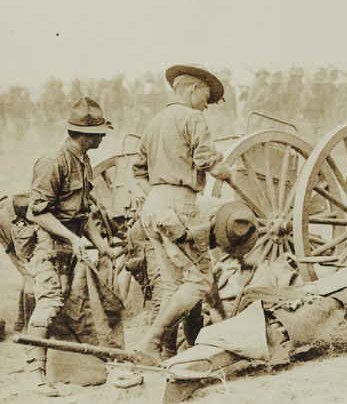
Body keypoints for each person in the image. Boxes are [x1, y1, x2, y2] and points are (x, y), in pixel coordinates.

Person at [132, 64, 235, 363]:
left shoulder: (155, 121)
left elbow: (137, 170)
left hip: (153, 207)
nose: (207, 104)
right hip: (179, 208)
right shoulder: (193, 117)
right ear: (193, 89)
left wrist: (155, 196)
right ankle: (152, 340)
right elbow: (207, 161)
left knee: (176, 285)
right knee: (201, 281)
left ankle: (169, 352)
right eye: (206, 96)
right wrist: (229, 174)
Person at [25, 97, 116, 395]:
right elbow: (37, 212)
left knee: (76, 308)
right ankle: (34, 375)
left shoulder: (83, 160)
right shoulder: (53, 161)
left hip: (71, 247)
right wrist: (73, 239)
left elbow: (83, 212)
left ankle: (76, 369)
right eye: (99, 132)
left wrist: (100, 245)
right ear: (85, 134)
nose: (103, 136)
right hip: (49, 246)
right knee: (49, 303)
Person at [0, 194, 36, 334]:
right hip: (8, 221)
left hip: (7, 224)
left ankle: (20, 324)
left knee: (27, 275)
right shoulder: (20, 202)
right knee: (31, 277)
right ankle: (28, 328)